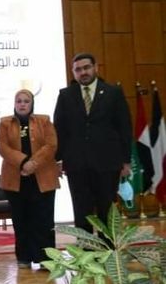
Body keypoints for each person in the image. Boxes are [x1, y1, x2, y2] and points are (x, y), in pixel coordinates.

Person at [53, 52, 132, 232]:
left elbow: (124, 128)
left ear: (96, 68)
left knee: (107, 212)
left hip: (108, 163)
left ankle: (107, 248)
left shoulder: (113, 93)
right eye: (78, 70)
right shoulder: (65, 95)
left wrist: (126, 160)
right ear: (73, 72)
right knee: (81, 211)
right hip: (76, 164)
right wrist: (58, 159)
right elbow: (59, 129)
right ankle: (85, 249)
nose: (83, 72)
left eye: (86, 67)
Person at [0, 89, 59, 268]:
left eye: (26, 101)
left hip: (42, 177)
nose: (22, 104)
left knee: (44, 220)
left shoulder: (44, 121)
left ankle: (46, 258)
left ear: (32, 104)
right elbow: (2, 147)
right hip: (16, 179)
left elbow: (51, 145)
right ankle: (24, 257)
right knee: (20, 219)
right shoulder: (5, 123)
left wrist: (33, 163)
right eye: (19, 101)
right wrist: (23, 162)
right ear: (14, 104)